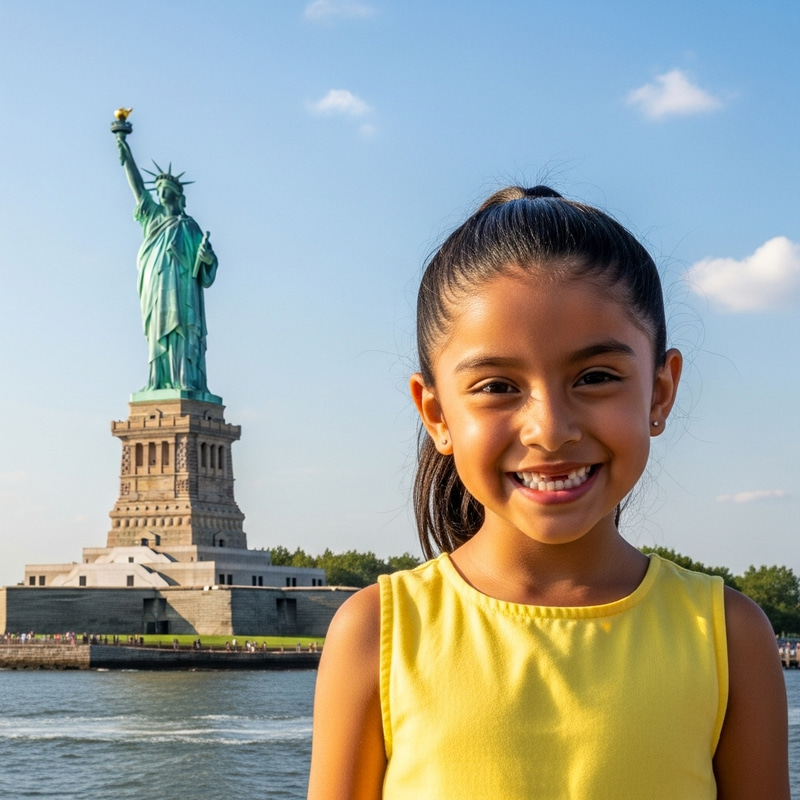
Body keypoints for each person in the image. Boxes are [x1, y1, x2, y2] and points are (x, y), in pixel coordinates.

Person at [307, 186, 789, 799]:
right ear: (436, 415)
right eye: (497, 386)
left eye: (595, 378)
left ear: (661, 392)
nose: (550, 429)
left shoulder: (728, 636)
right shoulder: (374, 634)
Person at [117, 135, 218, 394]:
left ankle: (185, 380)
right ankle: (159, 380)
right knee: (158, 330)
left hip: (184, 290)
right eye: (158, 190)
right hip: (156, 284)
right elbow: (137, 186)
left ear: (176, 195)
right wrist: (124, 148)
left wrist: (207, 259)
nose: (160, 194)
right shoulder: (152, 216)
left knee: (182, 331)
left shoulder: (189, 226)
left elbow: (208, 266)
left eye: (165, 190)